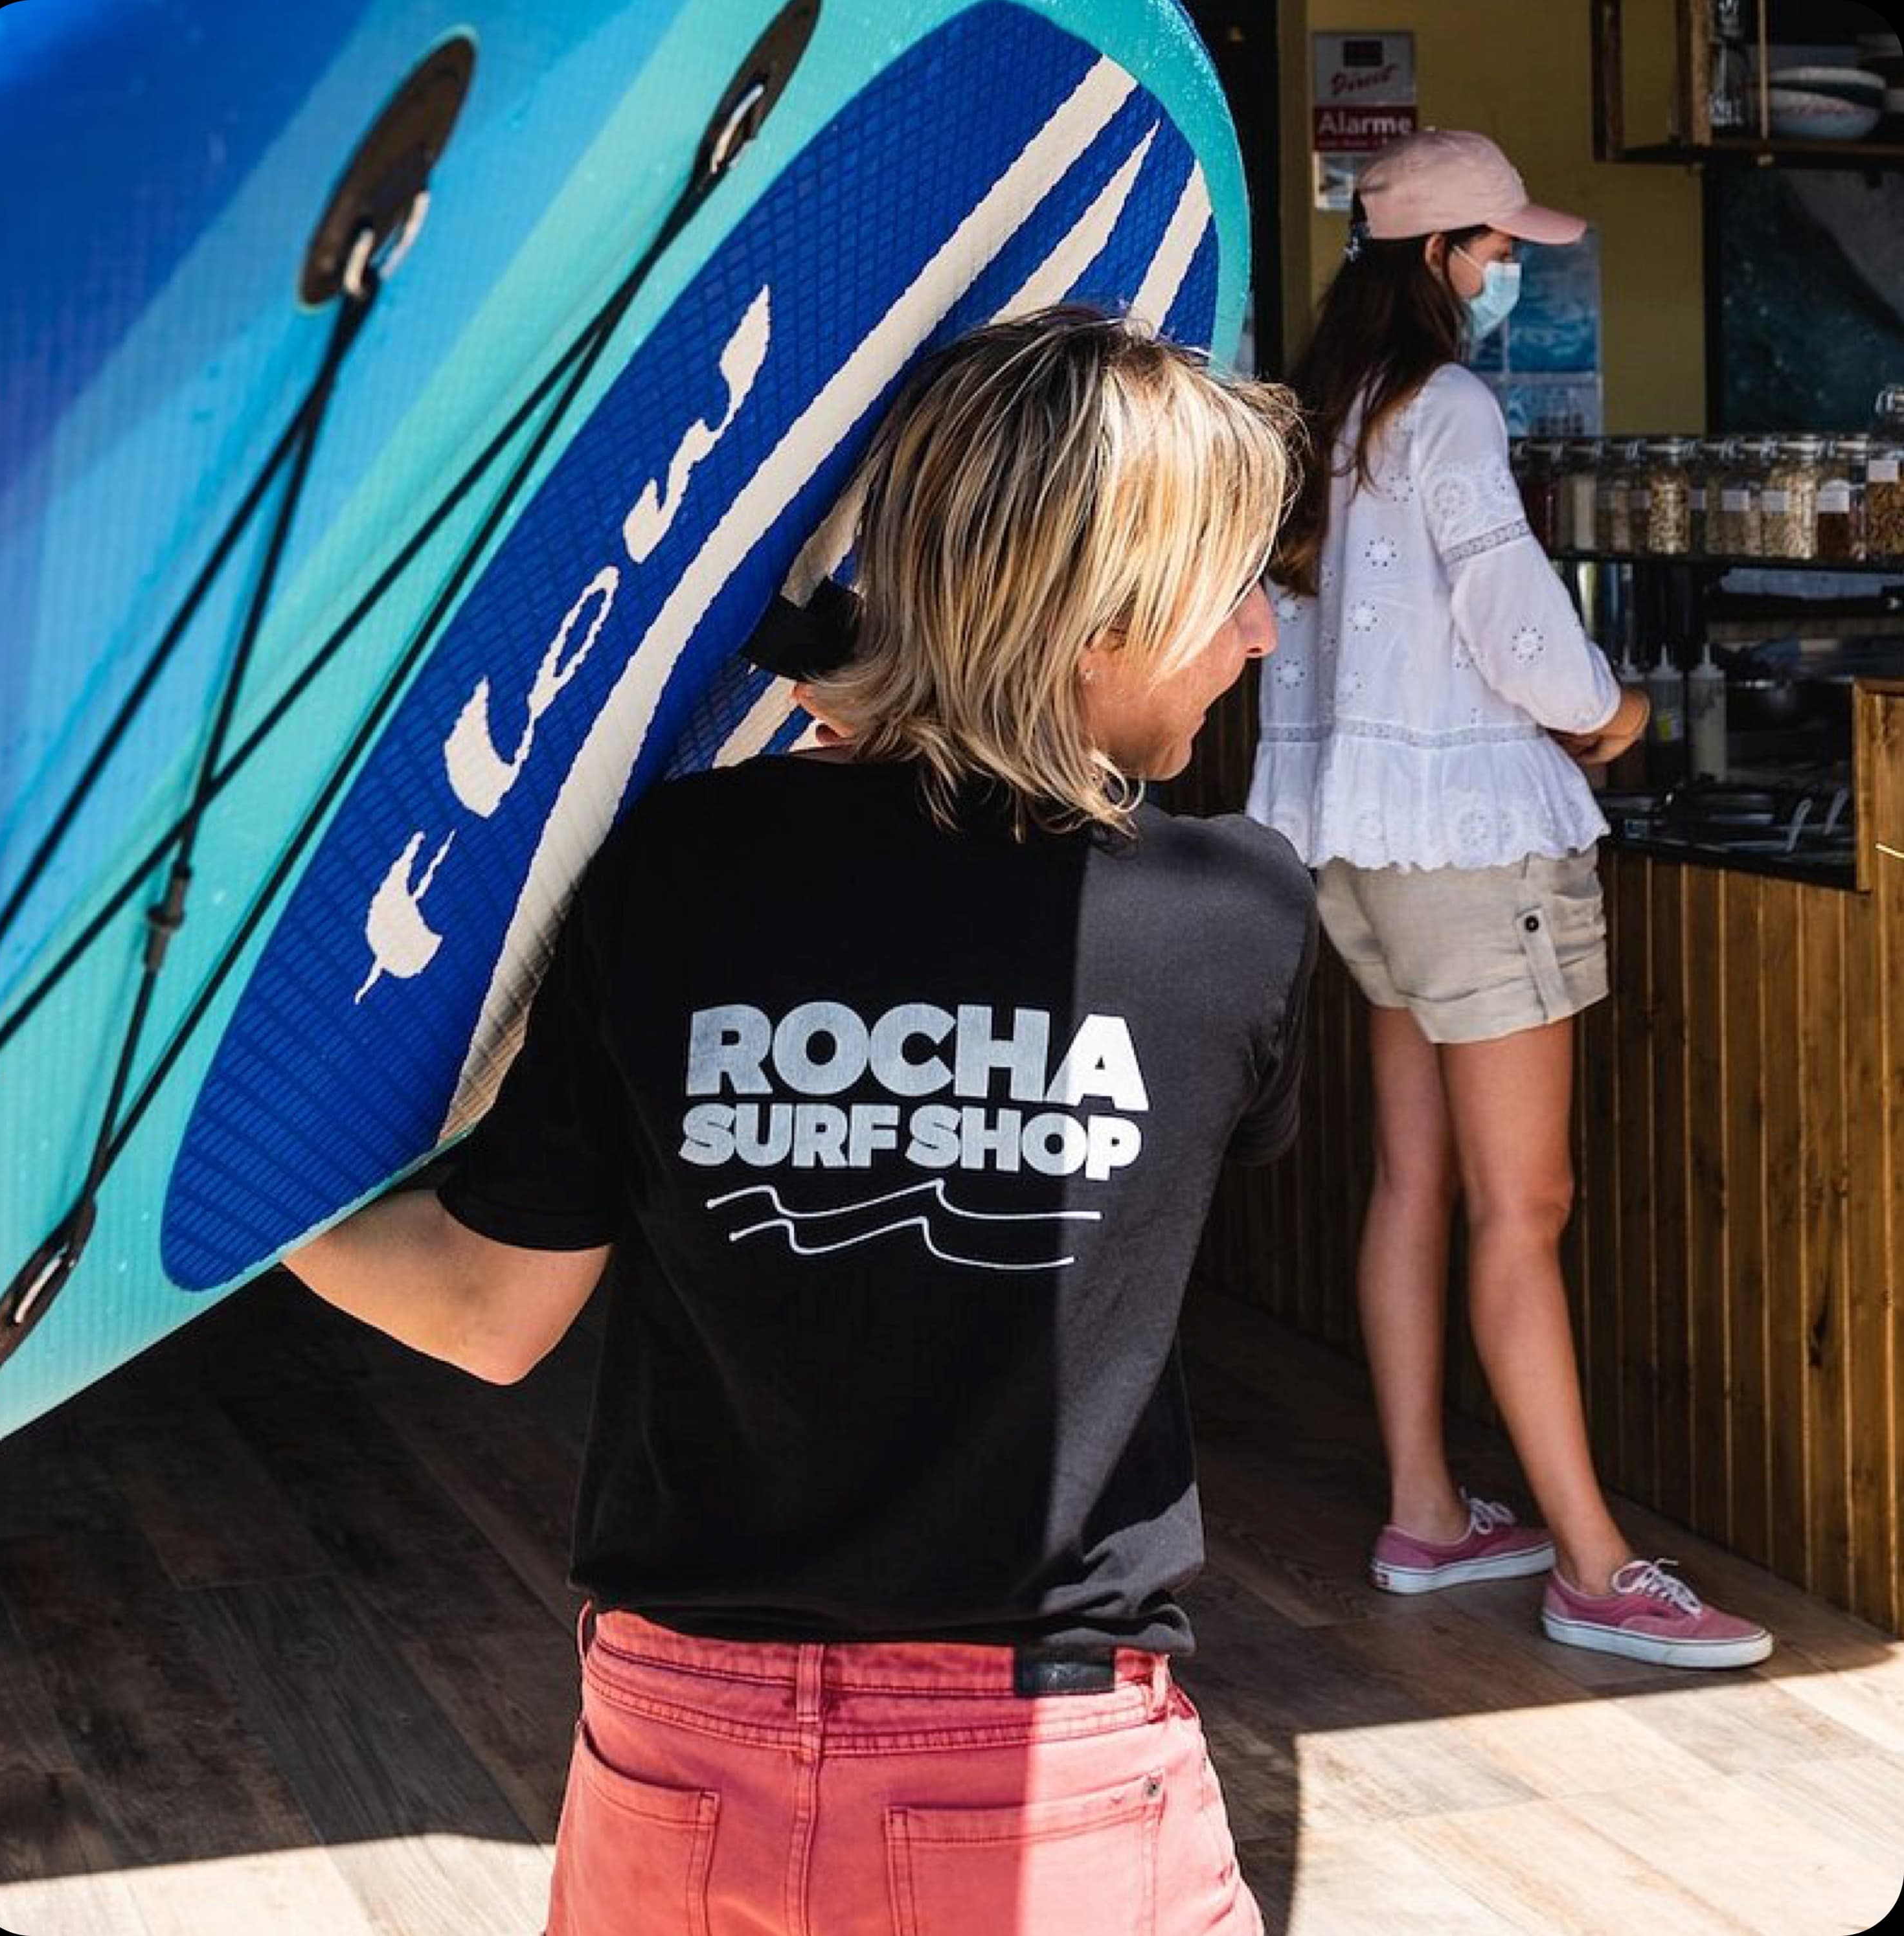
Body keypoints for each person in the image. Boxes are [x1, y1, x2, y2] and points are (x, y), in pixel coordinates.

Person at [288, 307, 1313, 1935]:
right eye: (1230, 587)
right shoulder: (1233, 914)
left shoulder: (686, 862)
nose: (1260, 631)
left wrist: (192, 1192)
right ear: (1102, 617)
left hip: (684, 1752)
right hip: (1040, 1775)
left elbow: (484, 1312)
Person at [1246, 130, 1771, 1671]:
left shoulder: (1322, 415)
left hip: (1362, 846)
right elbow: (1513, 619)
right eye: (1493, 249)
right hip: (1474, 847)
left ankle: (1430, 1511)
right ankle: (1594, 1566)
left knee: (1415, 1184)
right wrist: (1606, 714)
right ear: (1435, 262)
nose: (1509, 270)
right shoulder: (1451, 406)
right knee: (1521, 1209)